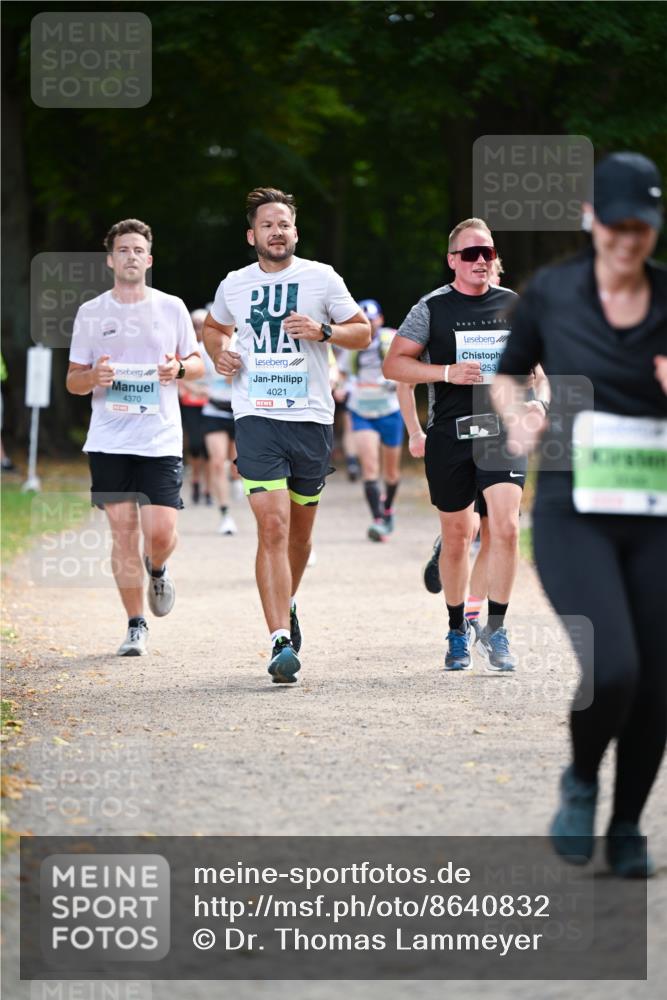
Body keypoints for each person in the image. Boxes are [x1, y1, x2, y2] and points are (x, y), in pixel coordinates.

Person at [492, 152, 667, 878]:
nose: (629, 241)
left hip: (656, 512)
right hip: (573, 510)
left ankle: (626, 826)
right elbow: (506, 371)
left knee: (657, 681)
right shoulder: (552, 293)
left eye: (643, 227)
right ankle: (581, 777)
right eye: (617, 225)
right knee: (615, 666)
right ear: (590, 218)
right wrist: (516, 419)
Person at [203, 187, 370, 684]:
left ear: (295, 232)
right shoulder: (235, 283)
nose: (278, 232)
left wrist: (323, 332)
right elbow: (214, 328)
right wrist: (219, 352)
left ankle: (288, 599)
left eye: (286, 224)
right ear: (252, 234)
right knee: (271, 527)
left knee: (299, 534)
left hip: (312, 418)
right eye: (268, 224)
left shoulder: (321, 278)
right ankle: (279, 640)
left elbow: (360, 331)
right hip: (255, 413)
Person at [384, 218, 536, 673]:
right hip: (451, 435)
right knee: (458, 536)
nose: (481, 261)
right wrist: (446, 373)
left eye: (487, 252)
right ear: (452, 260)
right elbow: (395, 366)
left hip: (503, 433)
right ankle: (455, 629)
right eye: (470, 254)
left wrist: (541, 405)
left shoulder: (515, 305)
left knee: (505, 527)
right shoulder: (431, 308)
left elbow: (543, 369)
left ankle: (497, 627)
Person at [66, 219, 203, 656]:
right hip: (109, 439)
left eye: (137, 249)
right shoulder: (91, 313)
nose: (130, 255)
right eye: (122, 249)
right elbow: (73, 382)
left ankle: (158, 570)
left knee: (159, 533)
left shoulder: (172, 308)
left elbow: (198, 364)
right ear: (110, 260)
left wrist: (178, 369)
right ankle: (135, 624)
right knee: (123, 533)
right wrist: (94, 376)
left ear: (149, 259)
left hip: (159, 437)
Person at [338, 299, 403, 541]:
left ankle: (388, 509)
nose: (370, 324)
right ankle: (378, 519)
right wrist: (342, 386)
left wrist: (396, 380)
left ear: (381, 320)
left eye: (373, 319)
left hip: (389, 411)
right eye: (365, 320)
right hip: (362, 411)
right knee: (369, 468)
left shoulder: (391, 339)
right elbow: (342, 374)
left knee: (392, 474)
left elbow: (410, 364)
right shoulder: (351, 344)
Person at [200, 330, 240, 535]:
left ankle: (235, 479)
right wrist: (198, 390)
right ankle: (225, 515)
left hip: (240, 412)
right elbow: (186, 377)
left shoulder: (245, 342)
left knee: (237, 465)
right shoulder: (203, 347)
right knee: (217, 462)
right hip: (213, 410)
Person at [178, 308, 212, 505]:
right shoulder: (186, 348)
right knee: (196, 446)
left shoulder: (213, 347)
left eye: (202, 325)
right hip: (191, 402)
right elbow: (178, 375)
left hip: (210, 404)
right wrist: (195, 390)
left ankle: (207, 489)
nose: (199, 328)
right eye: (195, 325)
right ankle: (196, 481)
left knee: (209, 450)